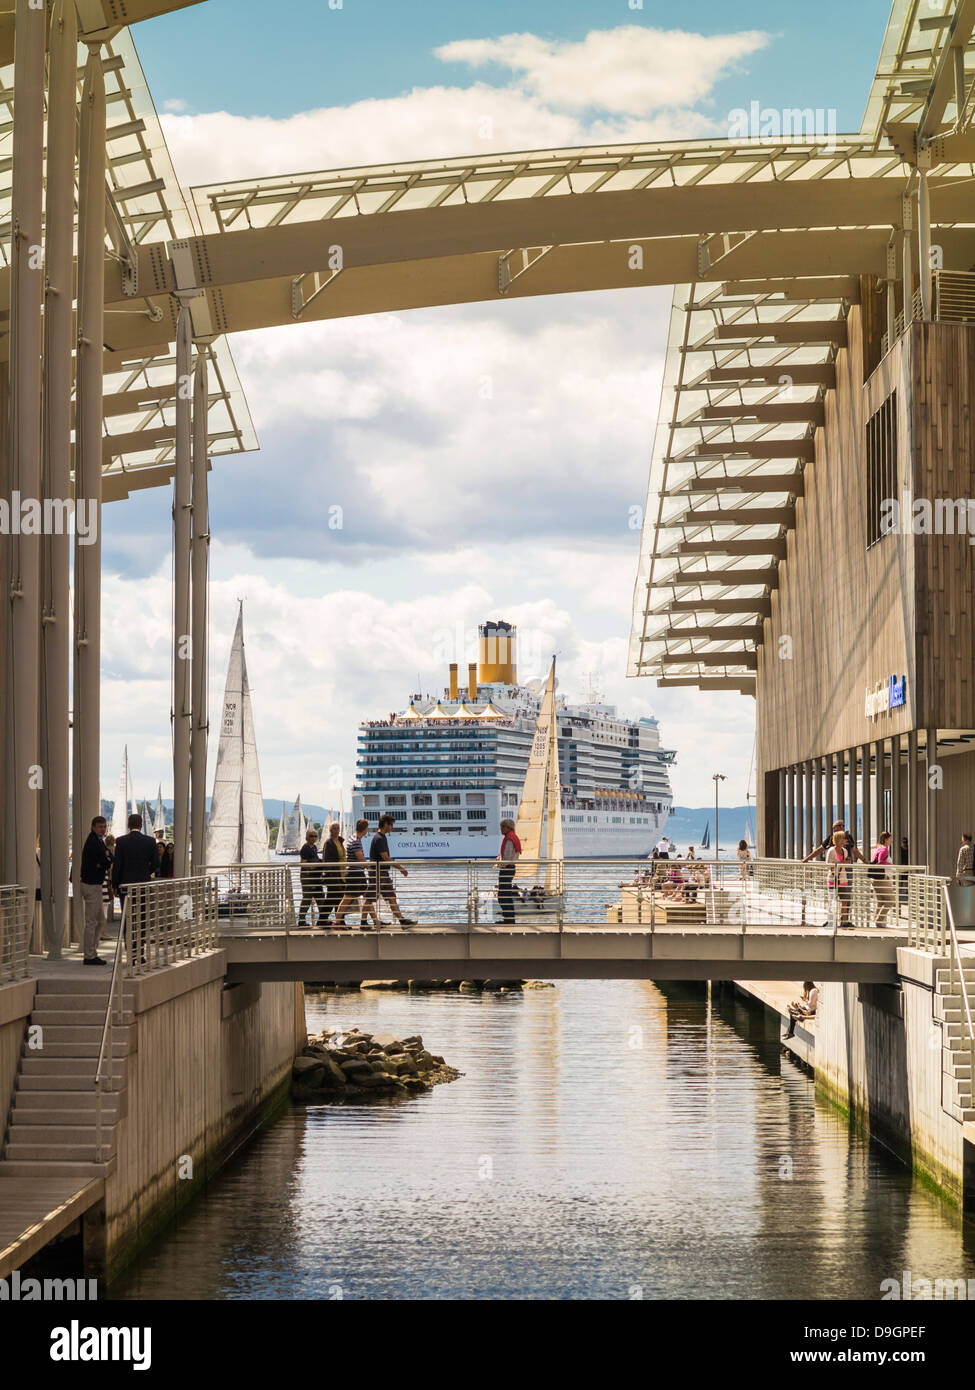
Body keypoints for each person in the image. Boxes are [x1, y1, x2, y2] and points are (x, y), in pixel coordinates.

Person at [111, 814, 161, 963]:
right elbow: (156, 864)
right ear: (141, 825)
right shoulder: (150, 841)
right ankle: (140, 953)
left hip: (125, 887)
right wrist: (146, 872)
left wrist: (115, 885)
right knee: (142, 920)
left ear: (128, 824)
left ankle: (131, 954)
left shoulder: (121, 842)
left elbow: (117, 865)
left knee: (128, 920)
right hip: (143, 885)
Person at [369, 814, 417, 926]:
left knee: (391, 897)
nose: (392, 827)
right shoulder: (379, 838)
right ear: (385, 824)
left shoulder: (381, 837)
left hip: (383, 873)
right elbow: (385, 857)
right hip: (378, 873)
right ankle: (363, 922)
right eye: (391, 825)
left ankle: (402, 921)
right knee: (369, 898)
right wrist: (400, 868)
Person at [334, 819, 379, 929]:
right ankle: (336, 922)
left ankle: (376, 921)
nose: (367, 831)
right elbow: (360, 859)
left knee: (367, 897)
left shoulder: (354, 839)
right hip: (354, 873)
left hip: (358, 873)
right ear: (364, 829)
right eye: (367, 828)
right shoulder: (355, 841)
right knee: (347, 898)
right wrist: (371, 866)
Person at [80, 815, 112, 965]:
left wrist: (105, 860)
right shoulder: (93, 842)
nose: (103, 829)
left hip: (96, 884)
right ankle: (89, 955)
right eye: (100, 827)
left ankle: (92, 951)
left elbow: (109, 858)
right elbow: (105, 861)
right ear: (93, 827)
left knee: (100, 920)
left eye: (104, 827)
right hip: (91, 884)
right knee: (92, 921)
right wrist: (104, 861)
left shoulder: (99, 841)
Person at [297, 828, 326, 927]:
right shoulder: (305, 848)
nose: (313, 838)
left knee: (321, 898)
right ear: (307, 837)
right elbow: (303, 863)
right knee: (307, 899)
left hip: (316, 878)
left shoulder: (314, 848)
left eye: (315, 836)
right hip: (308, 879)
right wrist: (315, 865)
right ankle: (301, 921)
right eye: (311, 836)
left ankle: (322, 920)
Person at [869, 830, 897, 926]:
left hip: (876, 879)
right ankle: (879, 921)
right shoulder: (884, 849)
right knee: (890, 900)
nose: (891, 841)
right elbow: (880, 861)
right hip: (882, 878)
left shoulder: (877, 848)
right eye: (890, 839)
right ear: (886, 839)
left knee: (881, 901)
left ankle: (879, 922)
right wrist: (891, 865)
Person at [825, 829, 852, 926]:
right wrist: (841, 863)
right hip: (833, 879)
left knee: (844, 901)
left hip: (843, 878)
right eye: (844, 838)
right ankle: (831, 921)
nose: (846, 840)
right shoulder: (831, 851)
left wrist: (846, 863)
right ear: (839, 839)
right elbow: (828, 865)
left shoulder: (845, 851)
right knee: (832, 901)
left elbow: (845, 865)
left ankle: (844, 921)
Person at [322, 822, 347, 923]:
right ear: (330, 830)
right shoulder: (328, 843)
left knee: (338, 899)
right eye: (334, 828)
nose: (336, 830)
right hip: (334, 875)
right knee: (333, 898)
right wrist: (331, 874)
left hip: (342, 874)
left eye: (338, 828)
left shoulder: (340, 841)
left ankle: (339, 921)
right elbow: (326, 859)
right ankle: (323, 920)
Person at [497, 818, 521, 923]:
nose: (501, 829)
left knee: (502, 896)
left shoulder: (509, 838)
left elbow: (507, 855)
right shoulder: (513, 837)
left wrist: (502, 865)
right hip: (511, 868)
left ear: (508, 827)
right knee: (506, 894)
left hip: (507, 868)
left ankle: (508, 919)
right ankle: (509, 919)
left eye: (503, 827)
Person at [101, 833, 116, 936]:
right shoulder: (114, 850)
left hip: (104, 880)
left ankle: (102, 931)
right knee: (105, 906)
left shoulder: (105, 849)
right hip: (108, 879)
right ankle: (103, 932)